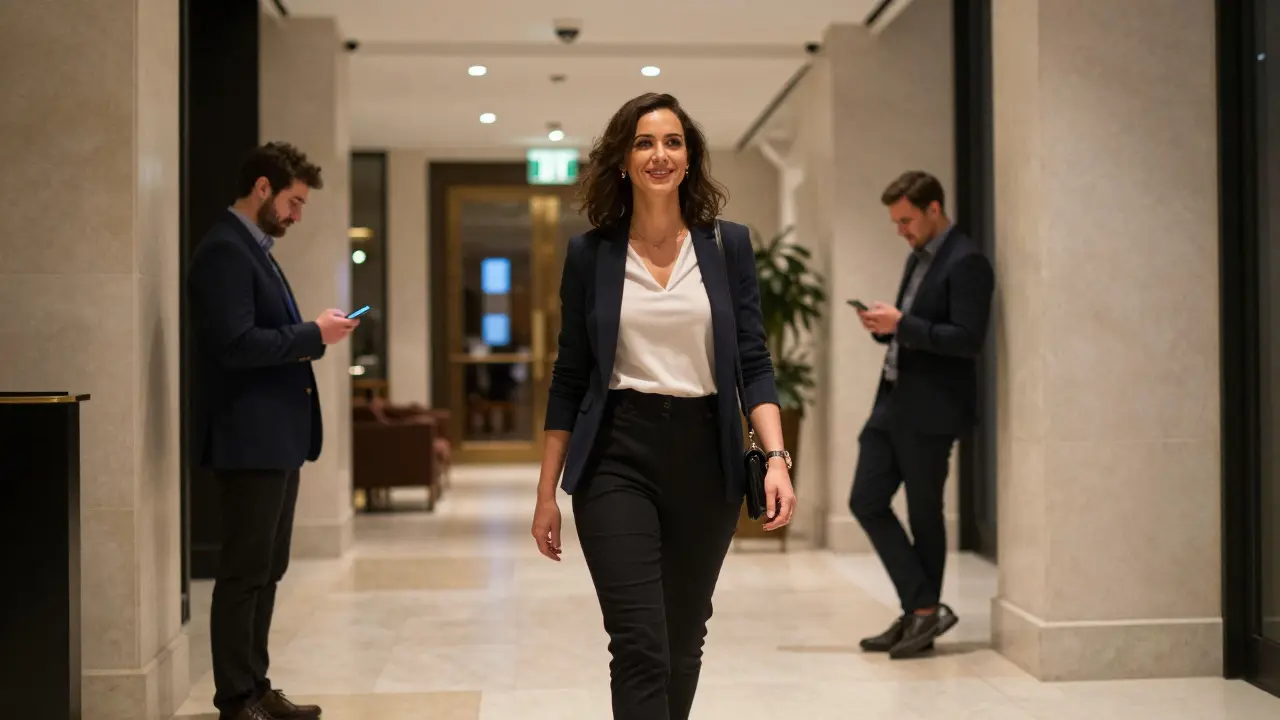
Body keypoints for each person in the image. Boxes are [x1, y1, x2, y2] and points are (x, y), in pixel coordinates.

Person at [529, 92, 797, 719]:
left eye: (673, 142)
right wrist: (546, 492)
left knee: (682, 641)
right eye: (645, 142)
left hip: (707, 456)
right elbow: (569, 377)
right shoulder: (590, 255)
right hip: (617, 455)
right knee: (639, 643)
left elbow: (752, 362)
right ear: (623, 159)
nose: (660, 154)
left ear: (689, 157)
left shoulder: (726, 247)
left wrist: (777, 457)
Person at [188, 142, 359, 720]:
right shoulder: (224, 252)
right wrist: (313, 334)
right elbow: (233, 345)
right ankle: (236, 700)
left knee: (267, 570)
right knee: (243, 573)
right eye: (293, 201)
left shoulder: (254, 250)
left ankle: (256, 686)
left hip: (274, 439)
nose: (296, 214)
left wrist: (313, 333)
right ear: (262, 188)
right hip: (248, 438)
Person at [850, 170, 994, 659]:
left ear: (935, 210)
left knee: (923, 515)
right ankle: (923, 608)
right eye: (896, 222)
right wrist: (885, 327)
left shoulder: (967, 261)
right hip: (891, 401)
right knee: (865, 500)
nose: (902, 231)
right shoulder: (920, 257)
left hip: (932, 410)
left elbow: (967, 339)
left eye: (907, 220)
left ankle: (921, 615)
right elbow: (918, 330)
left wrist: (903, 324)